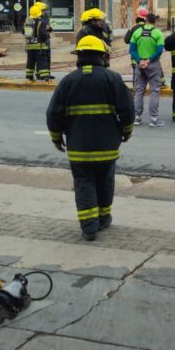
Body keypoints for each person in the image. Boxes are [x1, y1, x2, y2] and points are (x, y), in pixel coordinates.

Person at [46, 36, 135, 240]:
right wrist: (126, 131)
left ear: (79, 56)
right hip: (108, 147)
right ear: (102, 56)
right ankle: (103, 219)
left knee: (84, 183)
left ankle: (89, 227)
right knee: (106, 180)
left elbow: (53, 114)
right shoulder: (113, 79)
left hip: (79, 149)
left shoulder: (67, 81)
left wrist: (56, 138)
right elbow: (128, 110)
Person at [130, 12, 166, 126]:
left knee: (139, 91)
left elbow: (132, 50)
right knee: (154, 91)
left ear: (145, 20)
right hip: (153, 65)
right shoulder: (158, 33)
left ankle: (137, 117)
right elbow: (159, 50)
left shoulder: (137, 32)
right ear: (154, 21)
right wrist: (149, 60)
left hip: (139, 65)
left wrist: (140, 61)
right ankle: (153, 119)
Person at [25, 1, 53, 81]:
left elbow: (24, 32)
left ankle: (29, 75)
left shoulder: (28, 21)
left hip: (29, 46)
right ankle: (44, 76)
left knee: (30, 61)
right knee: (42, 61)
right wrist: (44, 40)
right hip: (40, 45)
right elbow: (43, 34)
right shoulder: (42, 21)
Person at [124, 7, 148, 73]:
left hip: (136, 60)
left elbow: (126, 40)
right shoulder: (151, 28)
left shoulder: (133, 28)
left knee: (138, 80)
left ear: (137, 17)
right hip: (148, 60)